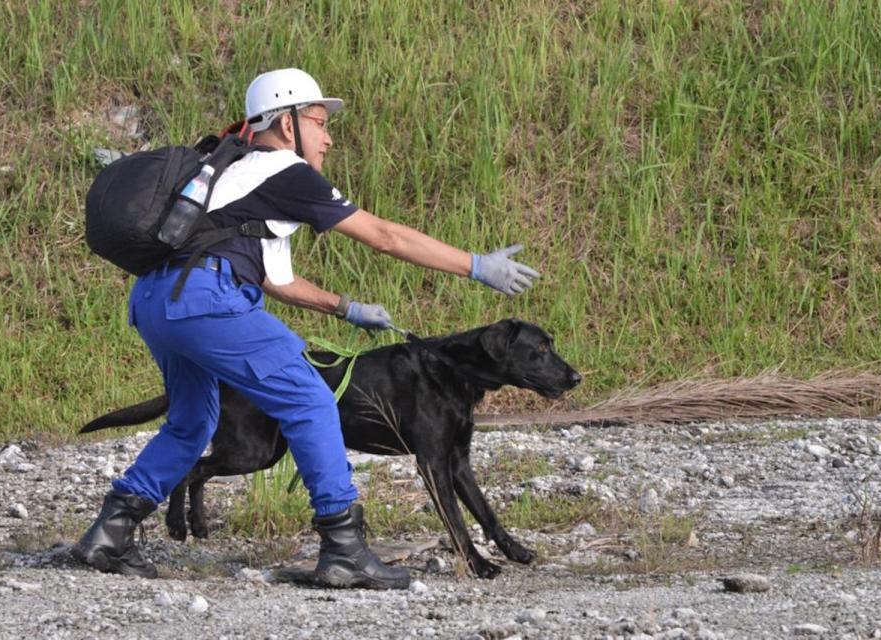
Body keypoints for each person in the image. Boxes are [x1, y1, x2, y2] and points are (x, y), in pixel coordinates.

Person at [72, 68, 540, 589]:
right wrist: (475, 264)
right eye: (319, 122)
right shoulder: (283, 171)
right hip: (205, 299)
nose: (329, 136)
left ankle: (108, 535)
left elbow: (280, 281)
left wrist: (348, 307)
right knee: (311, 400)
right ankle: (344, 549)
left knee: (191, 422)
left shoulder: (237, 174)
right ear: (288, 124)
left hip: (157, 301)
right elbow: (383, 236)